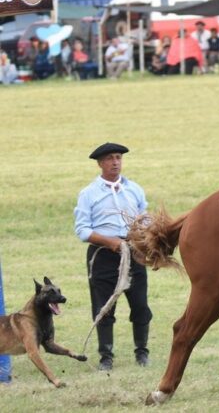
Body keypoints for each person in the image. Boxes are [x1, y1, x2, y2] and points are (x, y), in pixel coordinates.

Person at [74, 142, 152, 371]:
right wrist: (111, 242)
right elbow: (83, 230)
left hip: (133, 253)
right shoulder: (88, 194)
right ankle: (106, 357)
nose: (115, 162)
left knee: (140, 305)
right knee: (103, 308)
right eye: (110, 158)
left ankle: (142, 353)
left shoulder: (134, 189)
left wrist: (142, 231)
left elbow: (144, 216)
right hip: (103, 256)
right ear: (100, 163)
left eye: (118, 157)